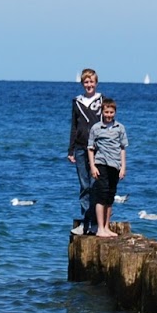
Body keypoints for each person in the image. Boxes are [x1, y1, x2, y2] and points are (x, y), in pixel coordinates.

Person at [67, 69, 103, 235]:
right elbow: (74, 126)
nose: (89, 85)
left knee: (96, 184)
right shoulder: (77, 102)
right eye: (86, 82)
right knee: (84, 185)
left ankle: (96, 223)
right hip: (80, 148)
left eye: (91, 82)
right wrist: (71, 149)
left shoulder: (101, 101)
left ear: (96, 83)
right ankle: (85, 222)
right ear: (83, 84)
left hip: (97, 148)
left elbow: (107, 124)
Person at [86, 98, 127, 238]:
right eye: (106, 112)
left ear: (115, 112)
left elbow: (122, 148)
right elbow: (90, 148)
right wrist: (92, 166)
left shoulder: (120, 128)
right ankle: (100, 228)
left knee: (110, 196)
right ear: (102, 112)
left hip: (115, 165)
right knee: (101, 195)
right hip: (101, 163)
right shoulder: (96, 128)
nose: (109, 114)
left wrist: (123, 167)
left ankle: (106, 226)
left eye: (111, 112)